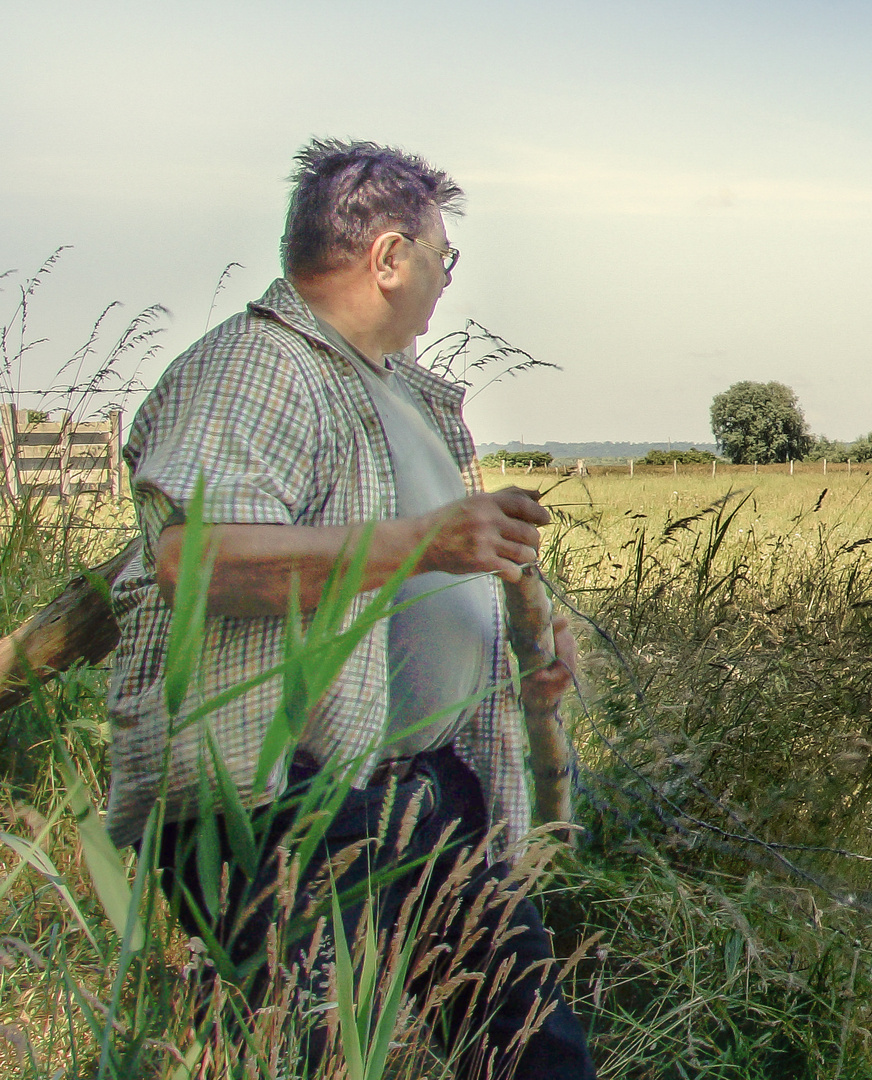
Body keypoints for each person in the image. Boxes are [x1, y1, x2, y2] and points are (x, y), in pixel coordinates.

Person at [105, 138, 595, 1077]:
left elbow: (411, 549)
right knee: (308, 1055)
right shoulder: (258, 369)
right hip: (284, 807)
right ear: (389, 258)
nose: (448, 281)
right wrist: (426, 545)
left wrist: (518, 626)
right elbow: (191, 560)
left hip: (419, 794)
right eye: (444, 258)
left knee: (538, 1052)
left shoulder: (388, 388)